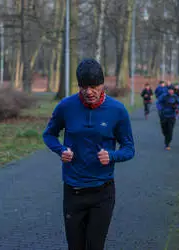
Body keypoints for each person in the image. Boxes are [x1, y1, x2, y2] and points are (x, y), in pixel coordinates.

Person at [42, 58, 135, 250]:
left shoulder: (117, 110)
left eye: (94, 86)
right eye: (84, 87)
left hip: (103, 191)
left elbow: (129, 149)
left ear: (102, 85)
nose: (89, 92)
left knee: (95, 246)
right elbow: (49, 134)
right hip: (73, 190)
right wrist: (61, 150)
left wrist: (112, 155)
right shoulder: (66, 106)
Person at [157, 85, 179, 150]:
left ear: (173, 91)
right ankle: (166, 137)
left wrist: (177, 108)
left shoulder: (175, 97)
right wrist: (160, 109)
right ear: (168, 90)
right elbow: (158, 102)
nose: (171, 91)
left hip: (172, 116)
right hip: (164, 115)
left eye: (172, 90)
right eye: (169, 90)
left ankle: (167, 144)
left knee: (170, 130)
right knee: (164, 130)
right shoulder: (163, 96)